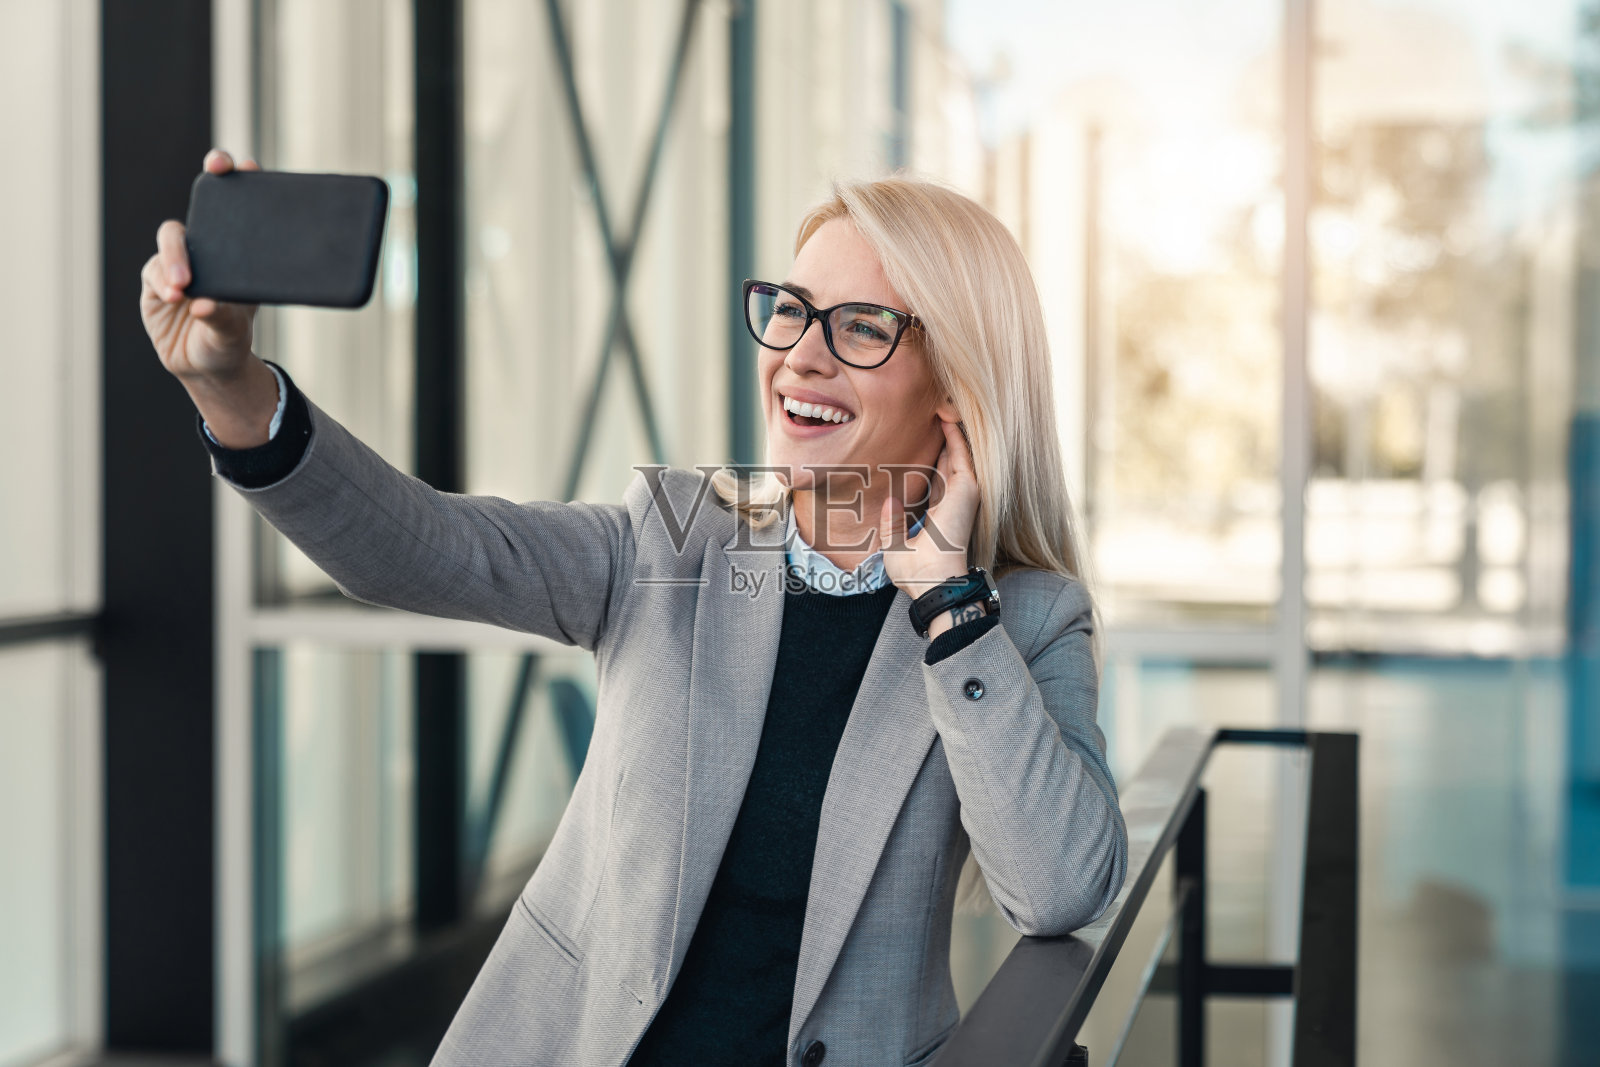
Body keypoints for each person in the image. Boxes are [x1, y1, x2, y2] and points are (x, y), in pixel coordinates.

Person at [140, 147, 1129, 1067]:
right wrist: (232, 387)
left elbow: (1059, 886)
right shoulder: (676, 538)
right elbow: (428, 548)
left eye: (861, 326)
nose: (801, 356)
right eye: (791, 308)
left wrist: (950, 601)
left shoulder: (1023, 620)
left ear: (956, 382)